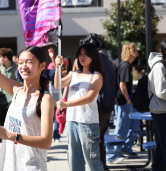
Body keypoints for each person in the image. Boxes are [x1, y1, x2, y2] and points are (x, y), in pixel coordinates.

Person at [0, 10, 54, 171]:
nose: (23, 66)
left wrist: (11, 136)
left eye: (29, 62)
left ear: (42, 66)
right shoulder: (16, 90)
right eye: (20, 62)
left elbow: (46, 142)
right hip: (9, 164)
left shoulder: (45, 99)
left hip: (31, 166)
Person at [55, 43, 105, 171]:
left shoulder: (96, 76)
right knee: (74, 160)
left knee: (92, 161)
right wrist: (57, 66)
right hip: (72, 121)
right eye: (80, 54)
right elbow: (57, 84)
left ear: (93, 56)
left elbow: (89, 97)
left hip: (88, 123)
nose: (82, 57)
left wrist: (66, 104)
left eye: (86, 54)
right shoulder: (73, 74)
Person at [79, 33, 116, 170]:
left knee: (91, 143)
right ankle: (102, 167)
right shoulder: (108, 60)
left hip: (97, 107)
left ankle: (97, 168)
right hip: (107, 107)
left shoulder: (96, 61)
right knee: (98, 141)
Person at [106, 43, 139, 164]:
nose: (137, 51)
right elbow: (122, 85)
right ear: (131, 51)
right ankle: (115, 153)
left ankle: (125, 148)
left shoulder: (126, 65)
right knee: (121, 128)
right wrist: (128, 99)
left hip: (124, 101)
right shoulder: (125, 66)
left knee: (132, 126)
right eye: (135, 49)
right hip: (122, 102)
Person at [147, 40, 166, 171]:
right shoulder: (159, 66)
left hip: (160, 110)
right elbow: (161, 91)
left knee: (161, 145)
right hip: (161, 111)